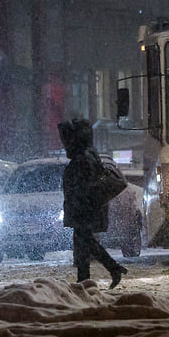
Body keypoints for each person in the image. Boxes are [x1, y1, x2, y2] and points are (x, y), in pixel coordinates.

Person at [58, 117, 129, 288]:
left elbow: (85, 186)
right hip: (83, 208)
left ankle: (108, 270)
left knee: (85, 241)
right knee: (83, 243)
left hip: (84, 208)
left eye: (66, 139)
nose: (64, 143)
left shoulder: (84, 157)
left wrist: (79, 202)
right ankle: (86, 279)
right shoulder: (86, 154)